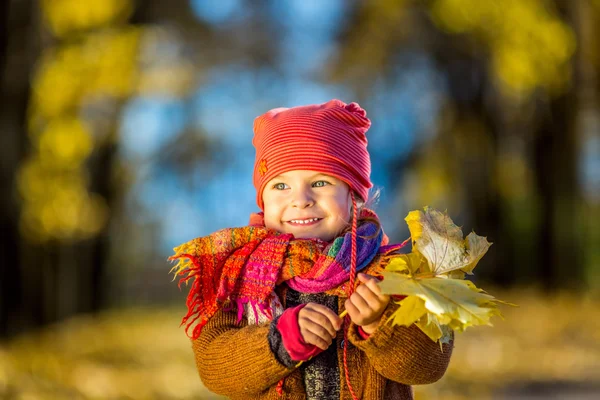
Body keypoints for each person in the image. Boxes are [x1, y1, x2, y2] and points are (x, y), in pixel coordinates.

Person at [170, 99, 453, 400]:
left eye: (320, 182)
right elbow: (214, 366)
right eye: (281, 186)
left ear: (353, 196)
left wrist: (378, 324)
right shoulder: (239, 274)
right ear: (263, 199)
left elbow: (429, 365)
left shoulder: (388, 270)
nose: (300, 199)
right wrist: (278, 341)